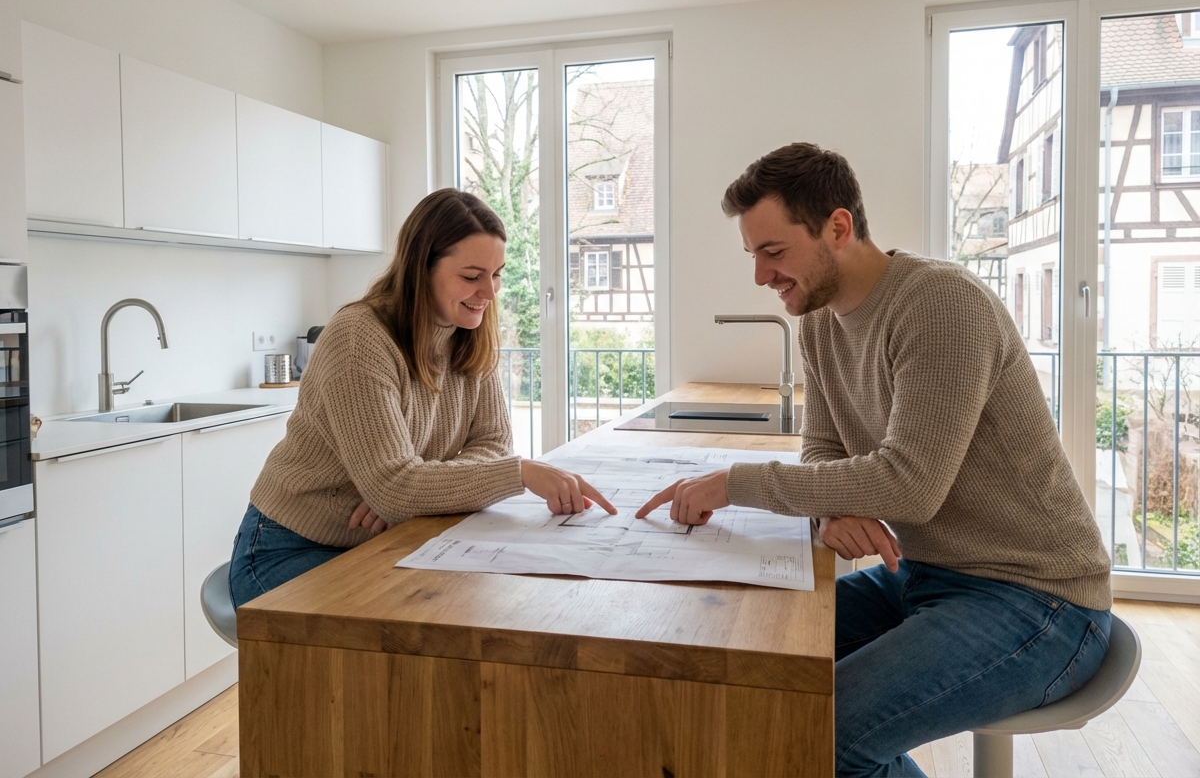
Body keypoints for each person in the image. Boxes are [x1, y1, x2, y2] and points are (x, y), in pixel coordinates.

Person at [637, 143, 1112, 777]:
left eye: (773, 253)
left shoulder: (942, 305)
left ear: (838, 227)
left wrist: (734, 483)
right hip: (922, 576)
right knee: (751, 671)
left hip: (1038, 601)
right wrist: (830, 512)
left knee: (824, 738)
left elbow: (910, 485)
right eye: (753, 255)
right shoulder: (821, 323)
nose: (759, 276)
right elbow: (824, 449)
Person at [230, 188, 615, 608]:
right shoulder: (359, 338)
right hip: (288, 547)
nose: (489, 292)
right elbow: (399, 486)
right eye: (471, 276)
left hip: (391, 535)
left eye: (497, 273)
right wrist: (515, 474)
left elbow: (490, 445)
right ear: (420, 268)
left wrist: (411, 494)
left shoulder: (469, 331)